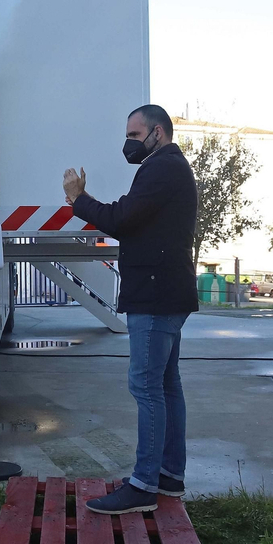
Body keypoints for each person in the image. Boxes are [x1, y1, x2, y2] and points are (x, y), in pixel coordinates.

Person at [63, 104, 199, 514]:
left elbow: (120, 219)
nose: (129, 143)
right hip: (166, 293)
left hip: (155, 297)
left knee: (146, 387)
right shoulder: (169, 167)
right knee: (165, 385)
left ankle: (143, 486)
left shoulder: (161, 169)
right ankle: (168, 476)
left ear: (158, 132)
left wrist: (78, 199)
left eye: (135, 135)